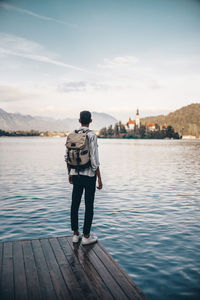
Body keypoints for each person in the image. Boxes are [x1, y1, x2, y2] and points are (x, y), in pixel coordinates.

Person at [65, 110, 103, 245]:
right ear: (90, 121)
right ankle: (86, 236)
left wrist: (70, 173)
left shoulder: (72, 135)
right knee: (89, 205)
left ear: (79, 120)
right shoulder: (92, 136)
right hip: (89, 176)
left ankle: (75, 235)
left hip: (75, 174)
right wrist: (99, 178)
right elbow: (94, 160)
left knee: (74, 204)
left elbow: (67, 157)